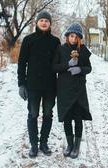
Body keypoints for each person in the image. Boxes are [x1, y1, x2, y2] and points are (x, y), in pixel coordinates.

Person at [17, 10, 61, 158]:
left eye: (46, 21)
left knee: (48, 114)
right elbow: (22, 63)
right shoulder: (28, 40)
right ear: (36, 22)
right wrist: (21, 84)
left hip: (50, 86)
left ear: (50, 24)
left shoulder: (55, 42)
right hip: (33, 85)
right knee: (33, 114)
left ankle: (43, 143)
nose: (44, 23)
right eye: (41, 20)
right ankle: (34, 145)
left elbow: (59, 64)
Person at [52, 23, 92, 159]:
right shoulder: (61, 49)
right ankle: (69, 145)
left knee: (78, 118)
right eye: (71, 36)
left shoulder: (83, 50)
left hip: (79, 90)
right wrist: (67, 65)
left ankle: (76, 146)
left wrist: (80, 69)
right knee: (67, 118)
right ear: (67, 36)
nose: (73, 39)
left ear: (80, 38)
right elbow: (54, 67)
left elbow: (89, 68)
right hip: (64, 89)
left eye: (76, 37)